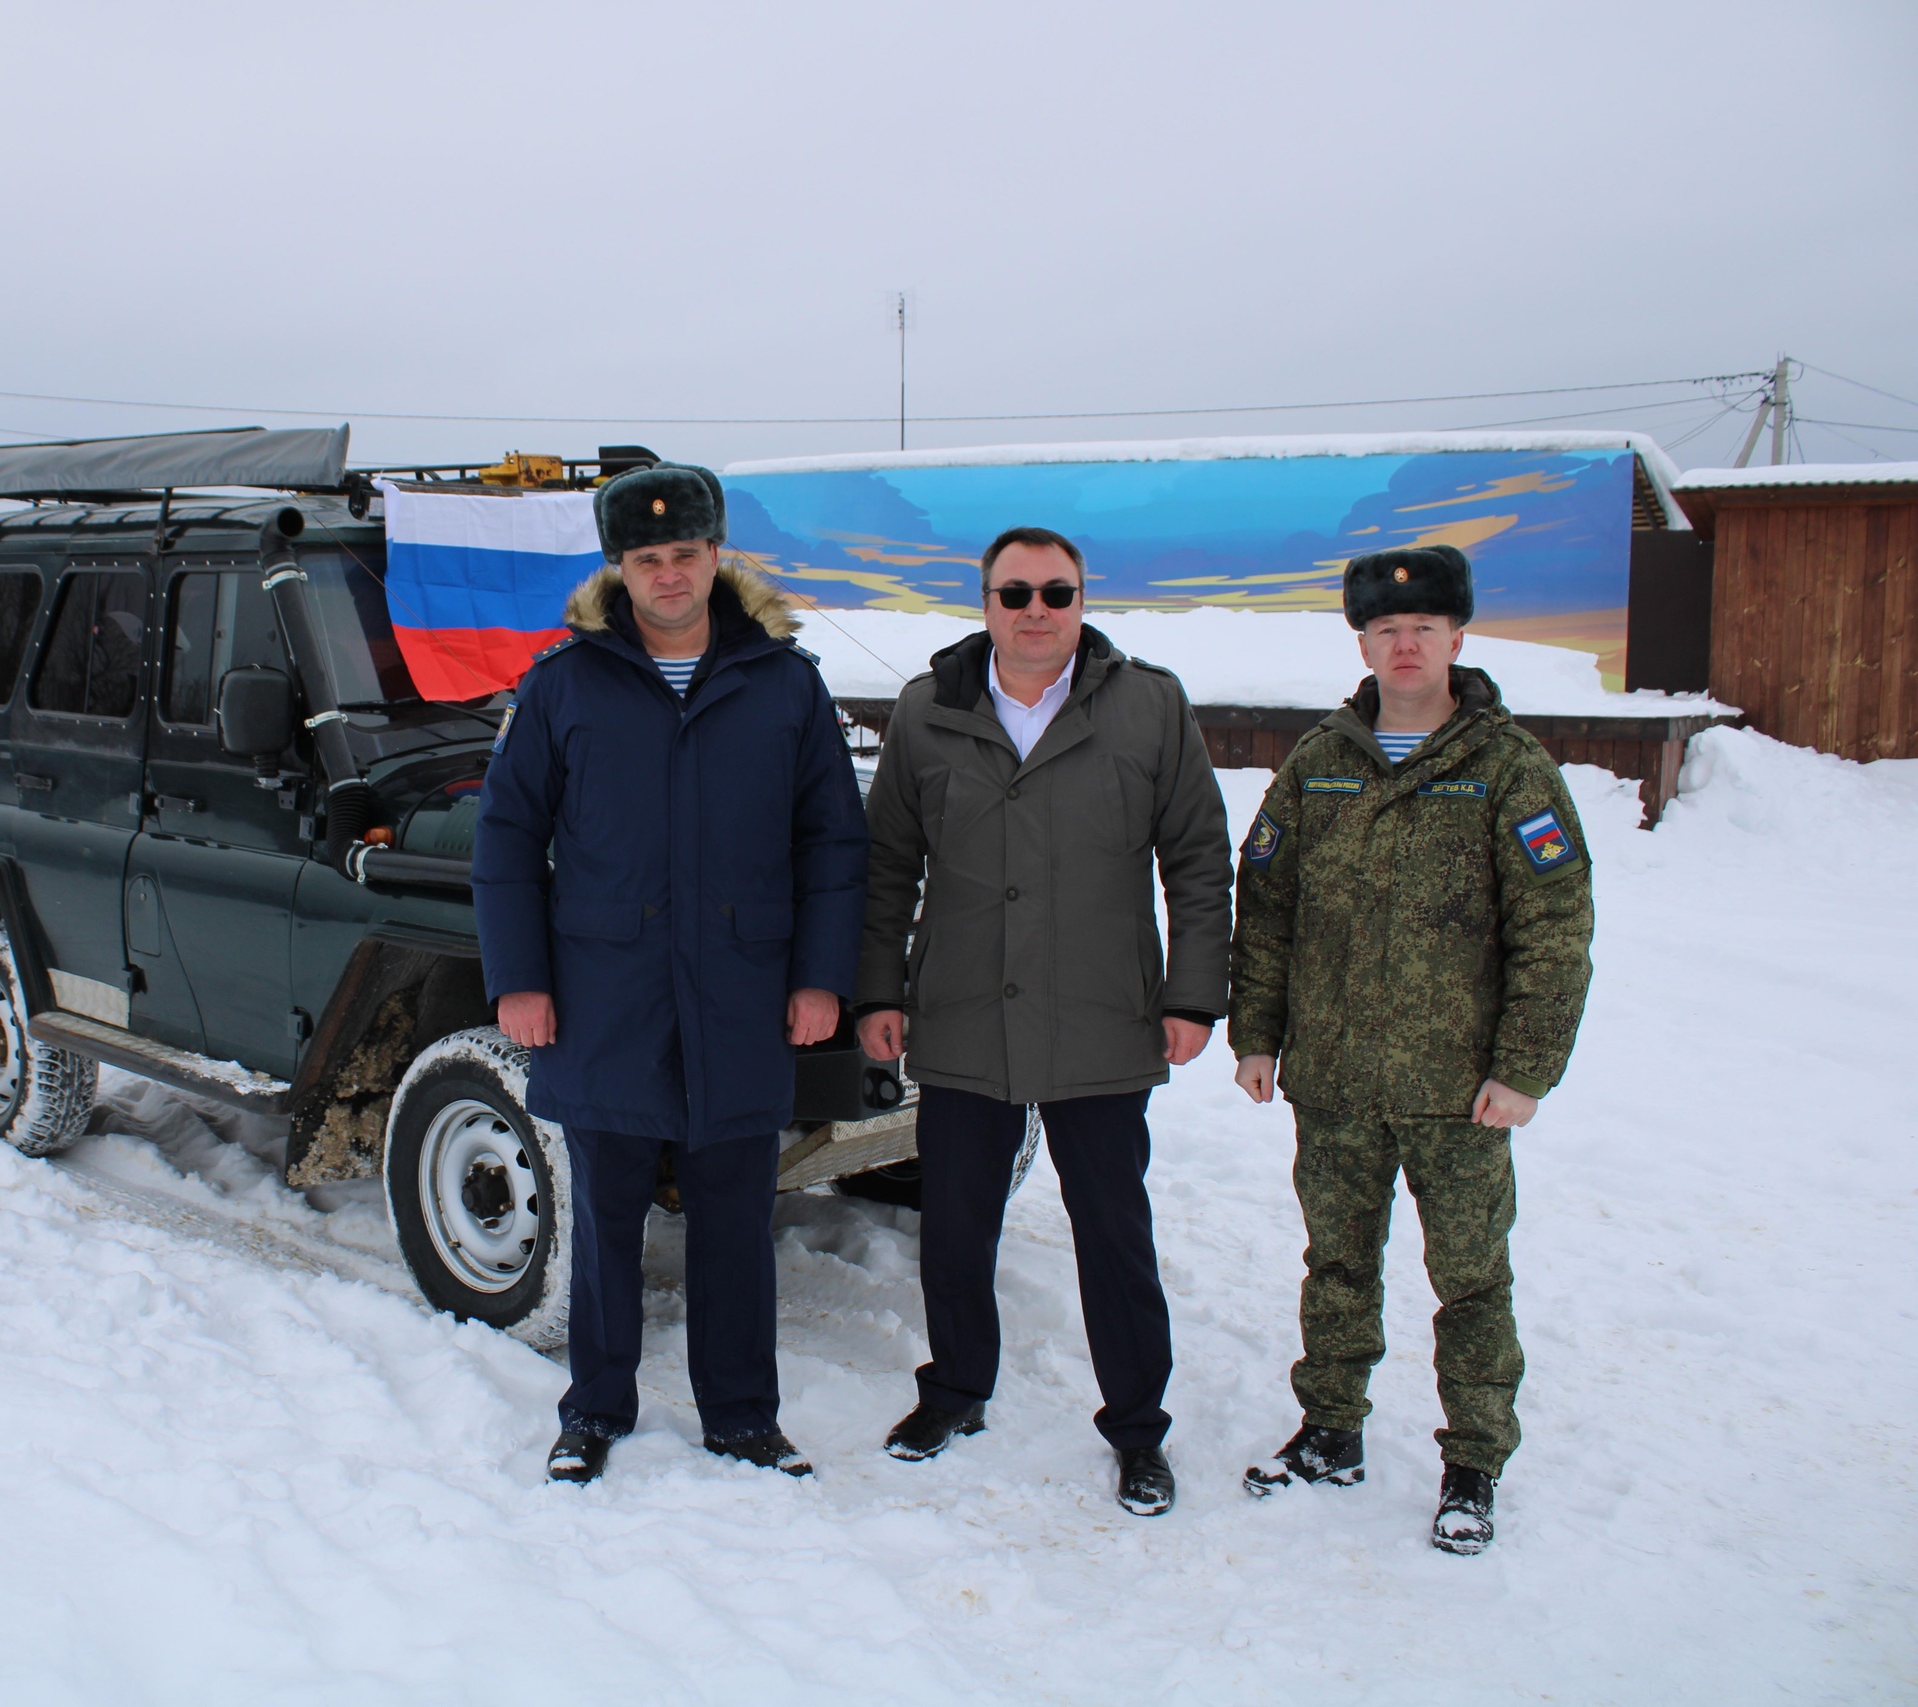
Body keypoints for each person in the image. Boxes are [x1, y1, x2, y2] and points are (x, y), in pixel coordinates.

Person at [473, 463, 869, 1485]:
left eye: (684, 554)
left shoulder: (784, 684)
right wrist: (519, 978)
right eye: (646, 559)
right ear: (619, 569)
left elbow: (832, 842)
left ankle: (741, 1415)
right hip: (607, 994)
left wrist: (821, 977)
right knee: (603, 1214)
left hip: (738, 992)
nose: (667, 575)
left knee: (735, 1217)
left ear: (717, 556)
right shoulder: (563, 685)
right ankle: (595, 1408)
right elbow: (508, 838)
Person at [855, 526, 1233, 1516]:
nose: (1034, 613)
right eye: (1013, 594)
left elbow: (1195, 855)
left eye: (1054, 595)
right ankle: (955, 1392)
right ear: (983, 603)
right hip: (965, 1012)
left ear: (1080, 601)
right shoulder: (927, 712)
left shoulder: (1149, 706)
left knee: (1112, 1230)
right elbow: (886, 866)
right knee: (956, 1224)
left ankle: (1138, 1429)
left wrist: (1193, 993)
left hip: (1105, 1018)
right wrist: (877, 990)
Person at [1228, 542, 1595, 1556]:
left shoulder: (1506, 767)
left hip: (1458, 1088)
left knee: (1470, 1279)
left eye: (1422, 629)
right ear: (1362, 639)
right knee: (1336, 1261)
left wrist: (1523, 1068)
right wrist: (1256, 1034)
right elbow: (1265, 909)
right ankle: (1330, 1430)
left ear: (1455, 638)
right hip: (1336, 1076)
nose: (1403, 644)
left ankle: (1472, 1461)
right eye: (1386, 629)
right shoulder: (1320, 764)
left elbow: (1554, 930)